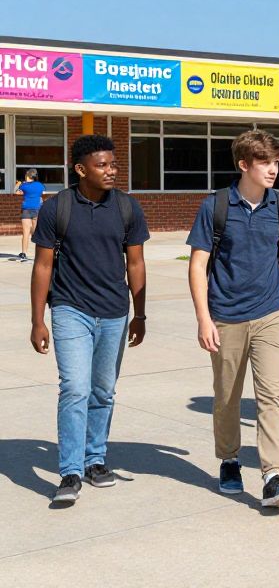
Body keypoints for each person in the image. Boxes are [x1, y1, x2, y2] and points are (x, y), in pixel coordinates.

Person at [187, 129, 279, 509]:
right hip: (225, 317)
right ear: (244, 165)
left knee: (272, 394)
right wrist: (204, 319)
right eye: (265, 163)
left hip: (270, 312)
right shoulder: (216, 206)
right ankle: (229, 459)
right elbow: (198, 264)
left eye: (276, 163)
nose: (273, 170)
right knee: (227, 396)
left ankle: (273, 474)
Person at [29, 135, 149, 505]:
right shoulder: (57, 208)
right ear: (81, 169)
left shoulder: (127, 208)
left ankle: (95, 459)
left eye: (113, 164)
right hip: (70, 309)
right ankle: (70, 471)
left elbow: (135, 262)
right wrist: (37, 320)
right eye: (103, 165)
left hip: (114, 312)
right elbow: (43, 266)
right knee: (75, 388)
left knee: (102, 392)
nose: (111, 170)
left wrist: (140, 313)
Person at [15, 168, 46, 261]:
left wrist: (18, 184)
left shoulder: (24, 185)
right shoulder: (40, 185)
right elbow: (42, 193)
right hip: (37, 208)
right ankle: (39, 254)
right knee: (36, 232)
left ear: (28, 176)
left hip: (26, 209)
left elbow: (16, 192)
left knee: (25, 232)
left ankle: (23, 253)